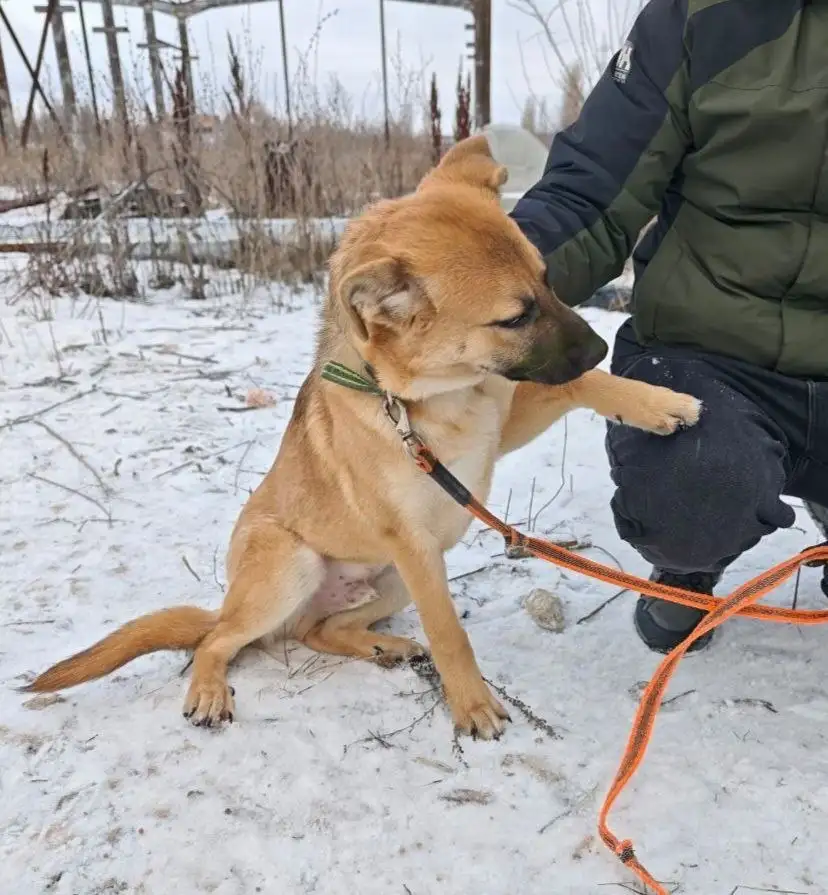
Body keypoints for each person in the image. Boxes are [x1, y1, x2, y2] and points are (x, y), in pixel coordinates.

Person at [510, 0, 828, 654]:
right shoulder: (698, 16)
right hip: (711, 350)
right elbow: (593, 191)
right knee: (696, 487)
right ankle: (688, 567)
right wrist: (487, 285)